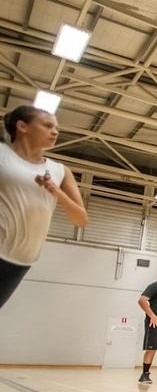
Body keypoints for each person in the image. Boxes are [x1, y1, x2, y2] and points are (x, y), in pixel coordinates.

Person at [0, 105, 88, 309]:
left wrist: (55, 191)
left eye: (57, 128)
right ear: (22, 126)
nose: (55, 131)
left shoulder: (60, 171)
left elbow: (81, 219)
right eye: (48, 125)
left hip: (22, 259)